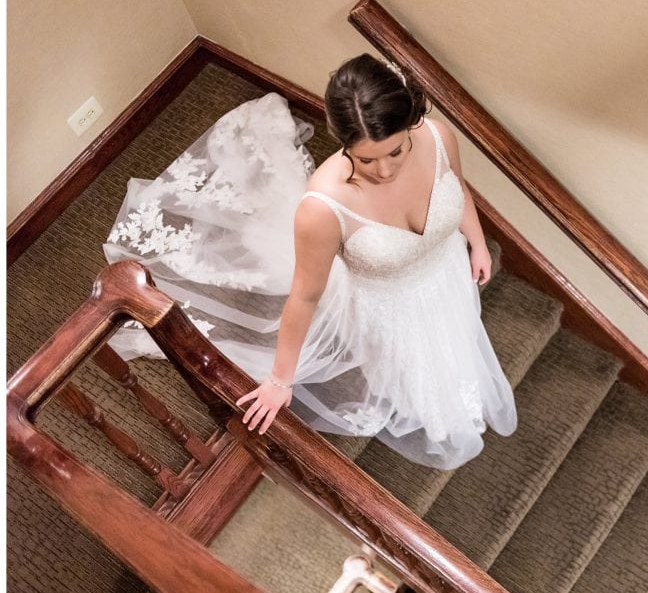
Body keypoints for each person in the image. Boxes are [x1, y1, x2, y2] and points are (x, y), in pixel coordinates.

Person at [104, 54, 517, 469]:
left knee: (453, 334)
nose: (385, 170)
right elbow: (304, 297)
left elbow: (456, 188)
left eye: (396, 151)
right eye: (366, 159)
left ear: (411, 124)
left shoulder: (440, 137)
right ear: (341, 141)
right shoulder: (322, 209)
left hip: (445, 273)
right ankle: (431, 405)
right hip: (388, 308)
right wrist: (281, 381)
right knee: (412, 366)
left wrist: (477, 243)